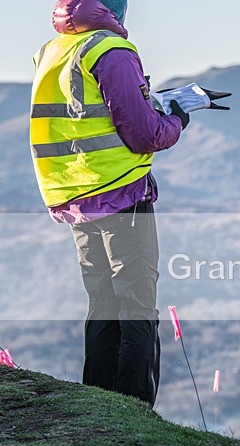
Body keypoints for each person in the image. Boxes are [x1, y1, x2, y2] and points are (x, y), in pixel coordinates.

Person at [30, 0, 190, 406]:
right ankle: (136, 409)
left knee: (101, 303)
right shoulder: (110, 50)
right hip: (121, 192)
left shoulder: (53, 50)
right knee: (137, 304)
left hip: (75, 196)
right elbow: (144, 134)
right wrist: (177, 119)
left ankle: (98, 405)